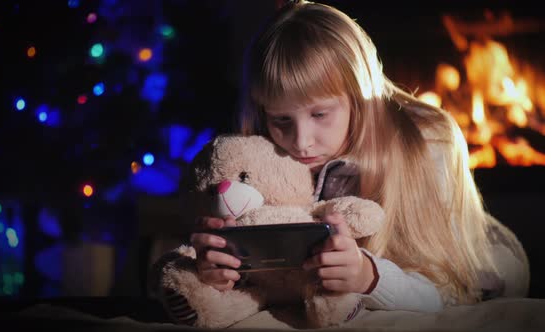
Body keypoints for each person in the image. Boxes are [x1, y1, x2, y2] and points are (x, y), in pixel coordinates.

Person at [188, 0, 529, 314]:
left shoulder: (427, 144)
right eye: (281, 120)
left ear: (358, 97)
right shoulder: (260, 154)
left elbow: (452, 294)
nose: (301, 142)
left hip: (487, 264)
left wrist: (370, 277)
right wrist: (223, 271)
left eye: (320, 115)